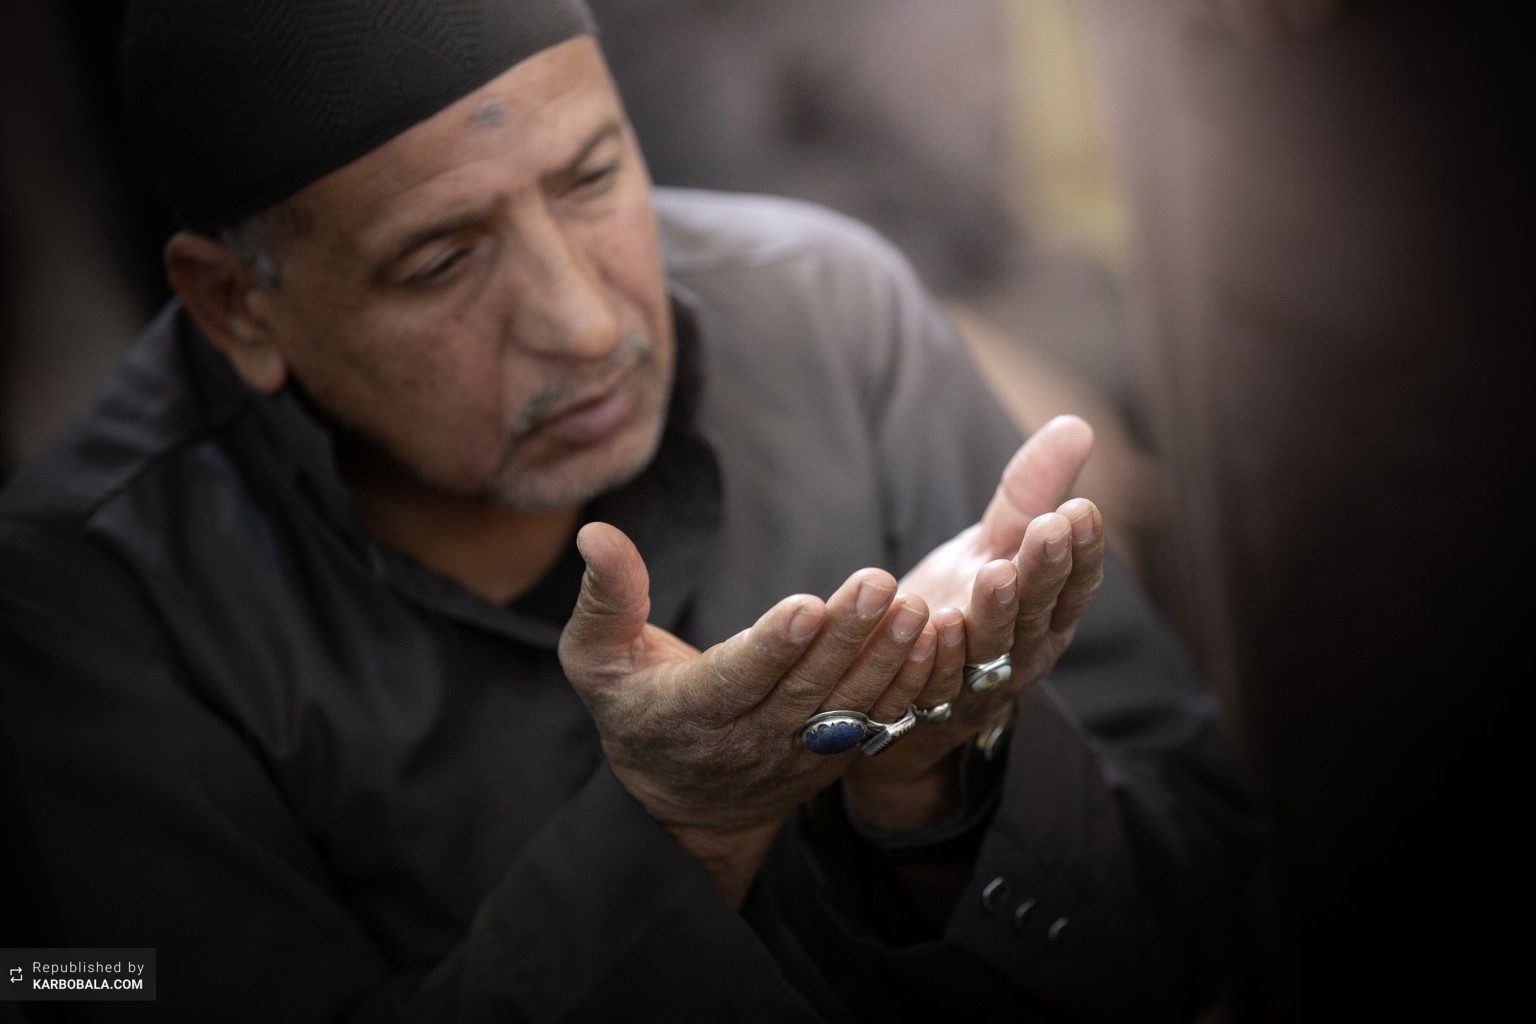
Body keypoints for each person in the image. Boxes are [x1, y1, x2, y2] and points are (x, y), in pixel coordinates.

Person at [0, 1, 1257, 1020]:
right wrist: (681, 836)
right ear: (237, 307)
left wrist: (940, 788)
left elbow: (1200, 916)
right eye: (442, 260)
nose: (586, 322)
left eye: (594, 178)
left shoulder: (829, 314)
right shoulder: (86, 593)